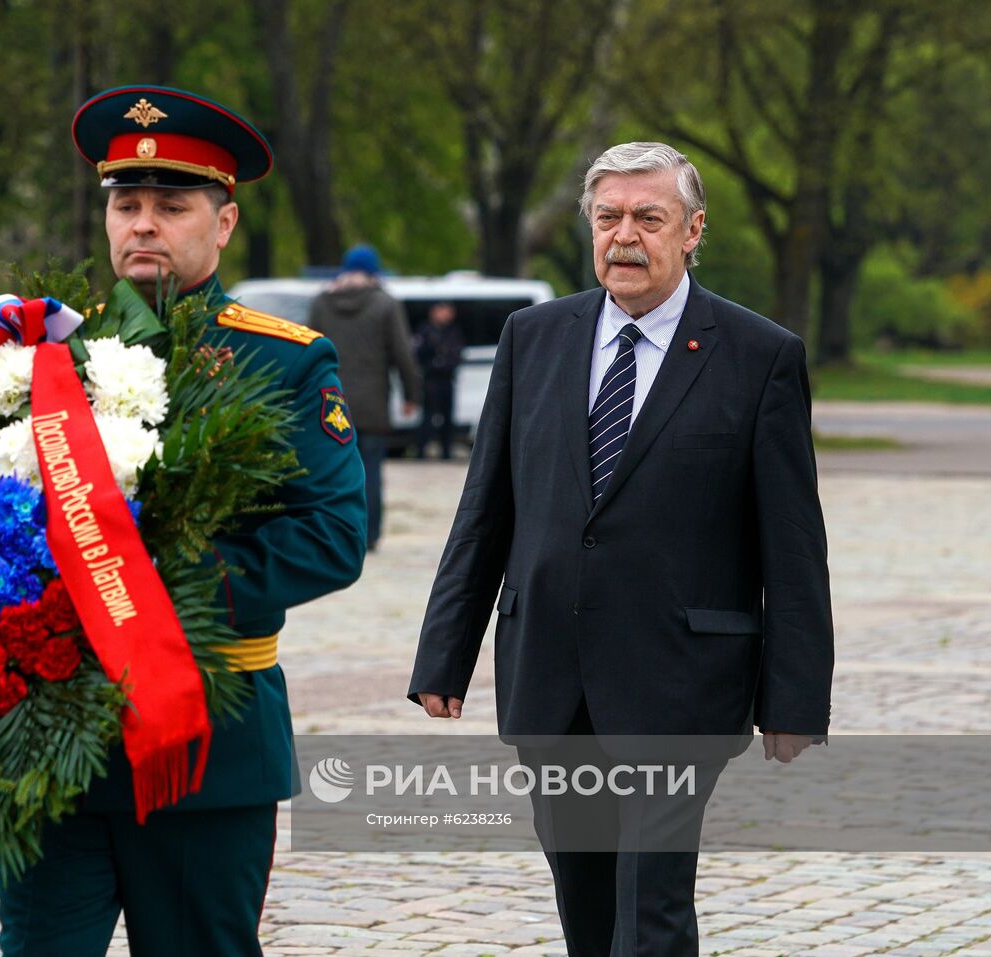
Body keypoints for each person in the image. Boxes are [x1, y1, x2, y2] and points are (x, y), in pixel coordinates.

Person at [407, 142, 834, 957]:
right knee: (587, 897)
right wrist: (443, 656)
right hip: (550, 672)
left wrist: (794, 696)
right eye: (608, 217)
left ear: (692, 230)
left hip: (683, 681)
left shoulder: (759, 356)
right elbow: (485, 509)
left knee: (652, 899)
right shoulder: (532, 338)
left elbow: (793, 543)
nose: (624, 236)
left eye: (649, 217)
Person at [0, 85, 368, 957]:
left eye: (173, 205)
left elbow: (332, 534)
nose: (145, 225)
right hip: (54, 736)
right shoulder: (44, 356)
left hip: (208, 735)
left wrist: (149, 591)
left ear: (225, 222)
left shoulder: (282, 361)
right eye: (127, 205)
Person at [308, 244, 420, 551]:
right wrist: (412, 394)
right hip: (372, 404)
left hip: (329, 403)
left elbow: (309, 352)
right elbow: (402, 353)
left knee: (331, 471)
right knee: (370, 470)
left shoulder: (321, 302)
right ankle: (368, 535)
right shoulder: (385, 304)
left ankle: (333, 532)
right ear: (373, 273)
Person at [413, 301, 464, 459]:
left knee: (448, 417)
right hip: (430, 380)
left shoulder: (453, 331)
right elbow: (419, 354)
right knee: (428, 416)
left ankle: (446, 452)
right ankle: (421, 451)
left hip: (447, 379)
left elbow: (457, 353)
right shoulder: (425, 331)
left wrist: (447, 363)